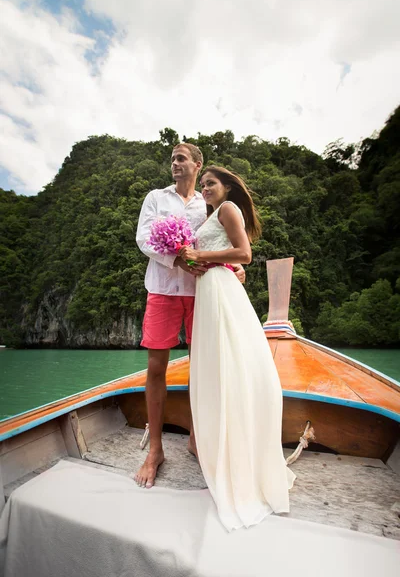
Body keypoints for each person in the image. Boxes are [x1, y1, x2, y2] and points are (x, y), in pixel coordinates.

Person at [178, 166, 296, 532]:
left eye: (211, 183)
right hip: (210, 289)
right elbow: (219, 255)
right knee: (214, 367)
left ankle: (235, 453)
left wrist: (202, 258)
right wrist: (190, 258)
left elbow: (243, 253)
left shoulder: (229, 209)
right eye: (205, 184)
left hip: (222, 290)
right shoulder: (212, 215)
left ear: (226, 186)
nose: (207, 188)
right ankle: (216, 445)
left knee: (230, 364)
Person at [135, 144, 245, 488]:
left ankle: (197, 439)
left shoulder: (208, 201)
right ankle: (155, 449)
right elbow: (143, 239)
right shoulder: (156, 197)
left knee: (203, 367)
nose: (175, 164)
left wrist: (234, 266)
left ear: (197, 165)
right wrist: (176, 260)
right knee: (156, 368)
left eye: (181, 158)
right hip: (163, 290)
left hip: (202, 293)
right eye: (171, 159)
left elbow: (220, 238)